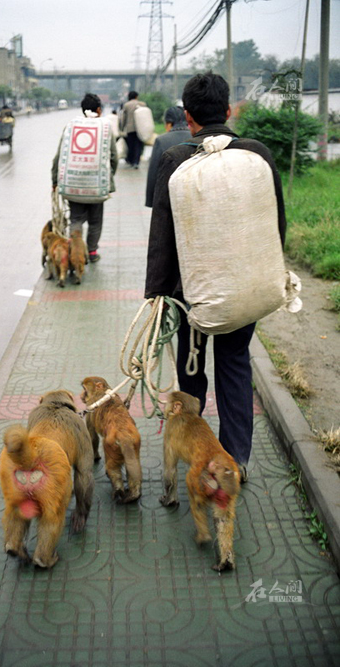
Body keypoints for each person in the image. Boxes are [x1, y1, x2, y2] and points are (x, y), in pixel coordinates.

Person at [144, 72, 287, 482]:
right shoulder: (258, 154)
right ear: (228, 111)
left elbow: (163, 239)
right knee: (235, 365)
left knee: (191, 373)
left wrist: (156, 294)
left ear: (188, 118)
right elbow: (275, 223)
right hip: (245, 289)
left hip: (191, 298)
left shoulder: (176, 160)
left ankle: (194, 453)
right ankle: (236, 460)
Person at [52, 93, 118, 263]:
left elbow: (59, 156)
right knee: (95, 221)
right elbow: (113, 157)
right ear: (98, 109)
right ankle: (92, 252)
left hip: (74, 185)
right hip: (96, 186)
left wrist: (54, 180)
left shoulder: (71, 127)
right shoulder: (105, 128)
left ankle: (75, 251)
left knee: (76, 219)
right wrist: (109, 177)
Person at [145, 105, 190, 208]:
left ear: (169, 123)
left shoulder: (162, 140)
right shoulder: (195, 137)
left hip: (168, 197)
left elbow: (154, 172)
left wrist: (150, 201)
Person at [120, 90, 146, 168]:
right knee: (138, 145)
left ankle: (131, 161)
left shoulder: (126, 105)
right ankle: (136, 162)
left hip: (130, 129)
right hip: (140, 129)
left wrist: (122, 127)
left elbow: (123, 118)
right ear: (136, 96)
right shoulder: (142, 104)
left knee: (131, 146)